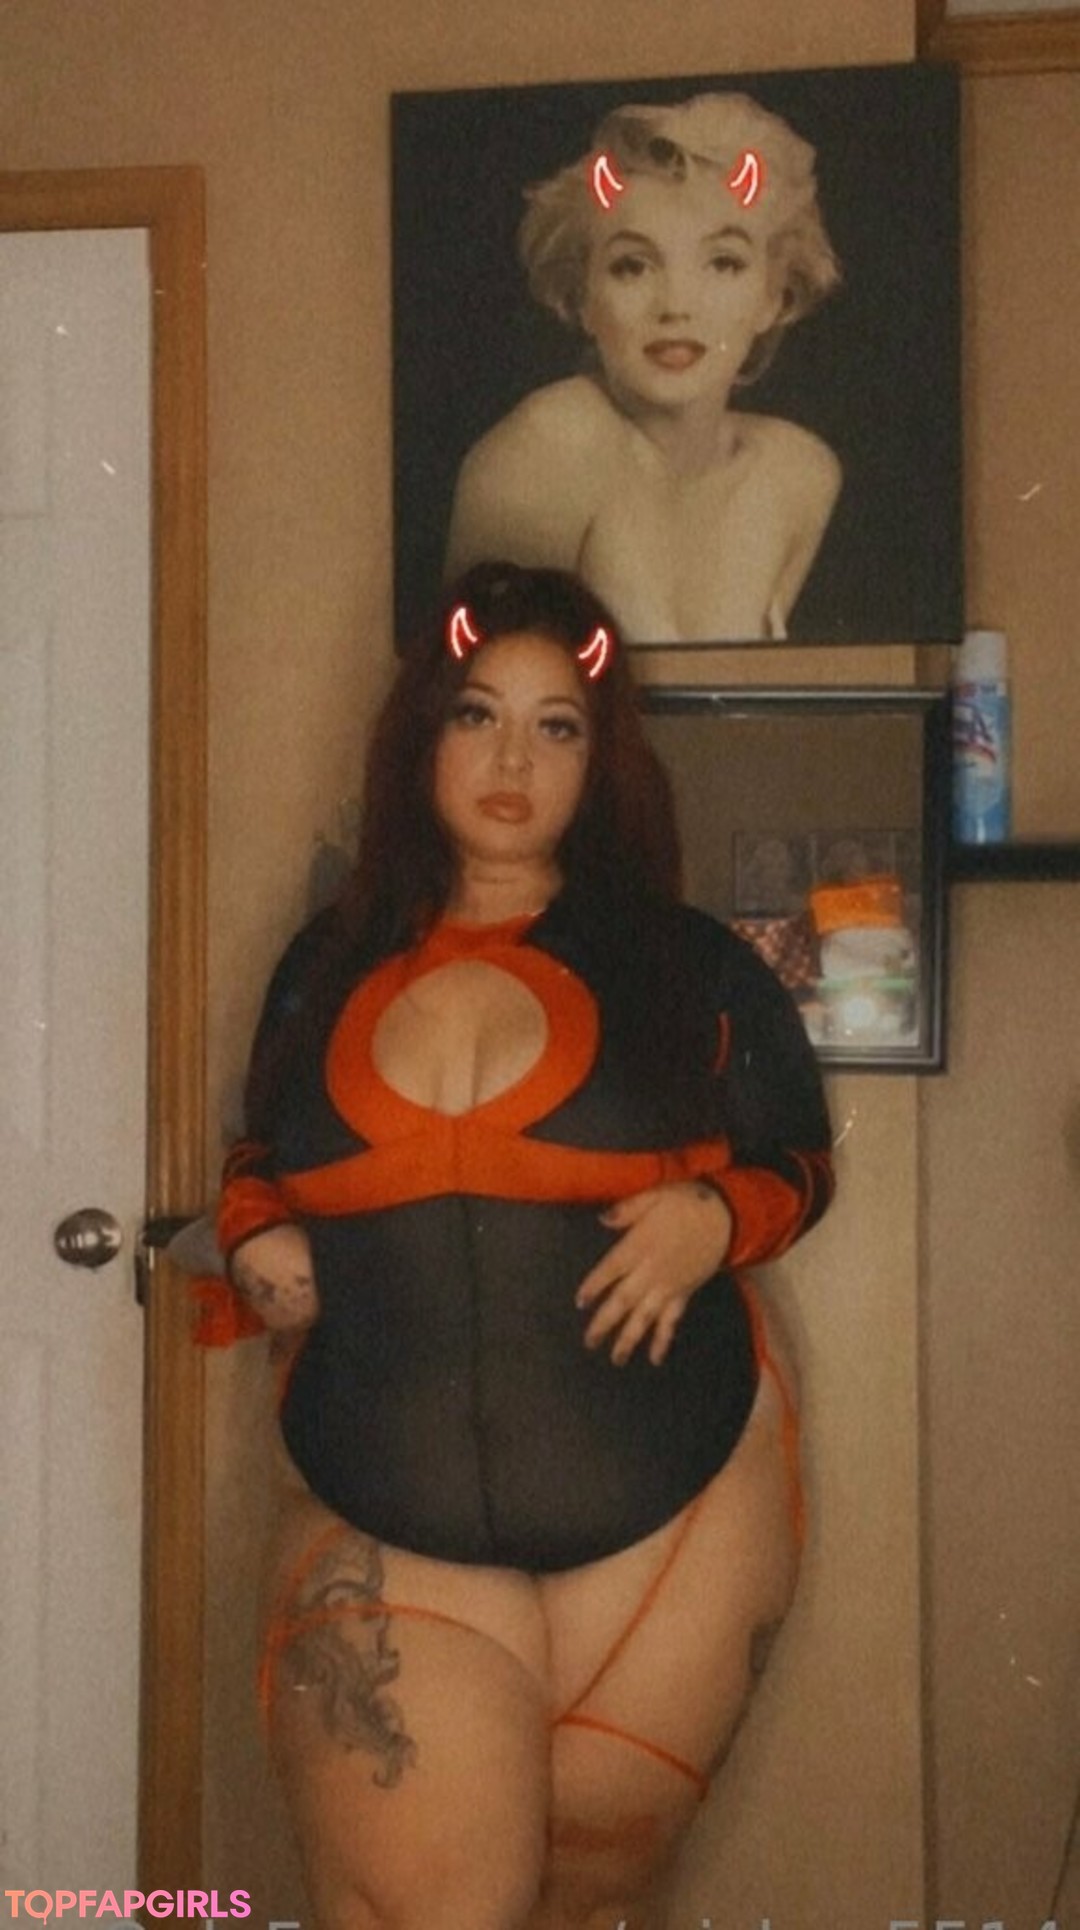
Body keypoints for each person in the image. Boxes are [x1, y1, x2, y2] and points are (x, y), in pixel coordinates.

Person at [216, 561, 834, 1930]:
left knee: (593, 1895)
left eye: (558, 726)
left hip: (674, 1502)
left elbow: (801, 1155)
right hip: (384, 1497)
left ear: (600, 759)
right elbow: (259, 1146)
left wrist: (716, 1217)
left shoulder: (689, 961)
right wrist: (256, 1233)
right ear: (421, 734)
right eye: (477, 714)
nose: (513, 761)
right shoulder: (326, 959)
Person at [445, 93, 842, 646]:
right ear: (583, 298)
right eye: (633, 266)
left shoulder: (799, 474)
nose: (675, 305)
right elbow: (475, 678)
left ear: (773, 297)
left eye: (723, 262)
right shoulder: (551, 447)